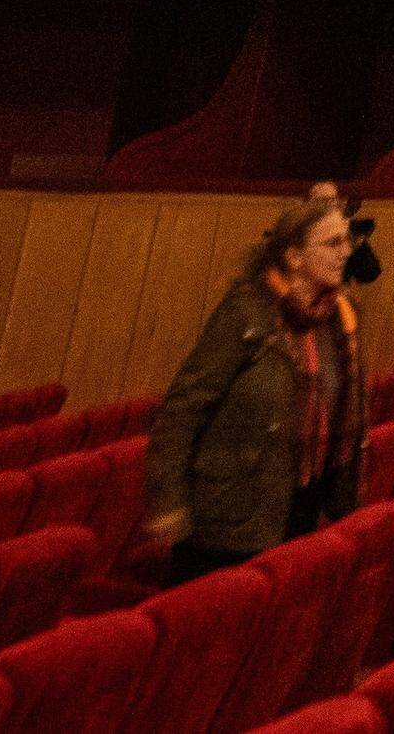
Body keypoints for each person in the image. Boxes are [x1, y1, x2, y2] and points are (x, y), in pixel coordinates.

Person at [145, 186, 368, 578]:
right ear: (294, 256)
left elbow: (341, 416)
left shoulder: (337, 318)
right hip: (230, 518)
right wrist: (169, 500)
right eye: (332, 243)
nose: (345, 252)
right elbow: (183, 407)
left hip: (298, 508)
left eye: (346, 241)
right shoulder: (248, 312)